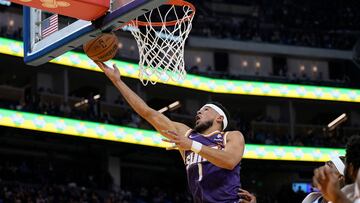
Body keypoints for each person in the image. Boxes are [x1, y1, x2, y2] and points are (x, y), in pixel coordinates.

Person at [95, 62, 245, 203]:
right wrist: (117, 82)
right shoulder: (187, 135)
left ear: (219, 118)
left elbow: (229, 161)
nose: (199, 112)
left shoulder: (231, 136)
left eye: (205, 109)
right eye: (199, 110)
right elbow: (148, 113)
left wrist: (192, 145)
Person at [313, 135, 360, 203]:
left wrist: (337, 198)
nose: (325, 165)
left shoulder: (347, 197)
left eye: (330, 164)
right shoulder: (312, 197)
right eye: (327, 162)